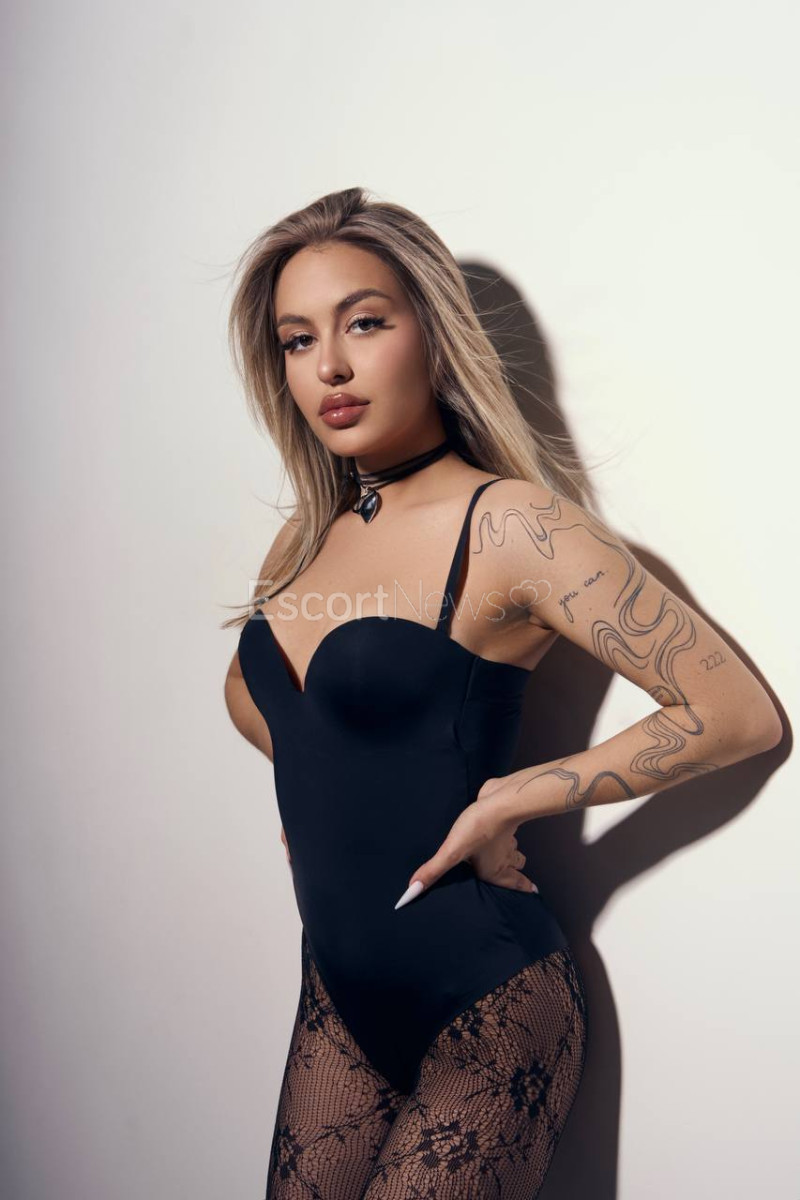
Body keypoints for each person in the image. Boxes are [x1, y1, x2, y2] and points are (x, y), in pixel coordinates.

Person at [222, 188, 782, 1199]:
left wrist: (509, 800)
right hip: (336, 1002)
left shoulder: (513, 527)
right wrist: (326, 787)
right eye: (298, 339)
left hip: (486, 1003)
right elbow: (257, 694)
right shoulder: (304, 537)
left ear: (432, 336)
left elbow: (733, 714)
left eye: (363, 323)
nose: (330, 366)